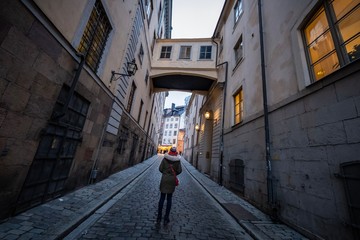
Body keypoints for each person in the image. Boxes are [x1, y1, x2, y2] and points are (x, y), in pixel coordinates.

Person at [157, 146, 182, 225]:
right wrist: (173, 174)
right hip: (172, 180)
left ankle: (159, 216)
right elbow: (179, 170)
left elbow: (160, 169)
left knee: (162, 197)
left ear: (170, 151)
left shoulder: (165, 159)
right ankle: (166, 217)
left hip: (164, 179)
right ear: (175, 152)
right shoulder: (177, 161)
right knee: (169, 199)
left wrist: (165, 173)